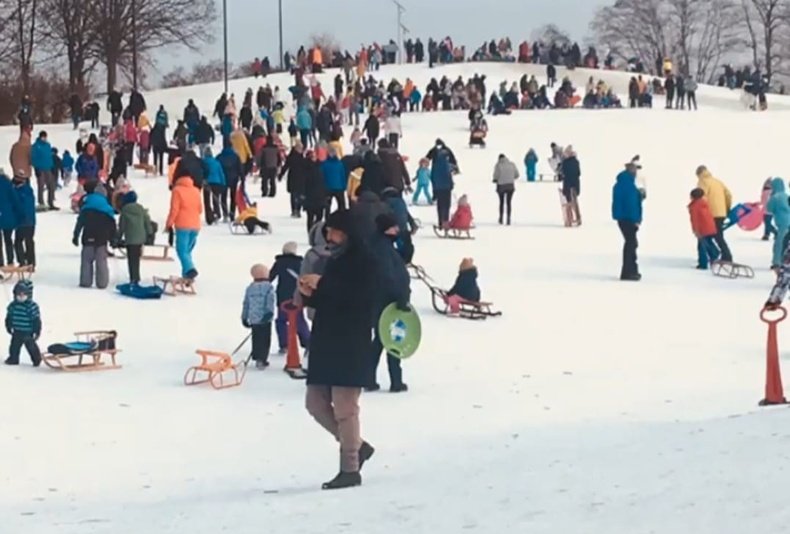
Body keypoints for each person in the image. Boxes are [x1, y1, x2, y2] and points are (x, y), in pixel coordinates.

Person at [298, 209, 377, 490]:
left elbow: (359, 298)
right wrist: (312, 295)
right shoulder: (334, 260)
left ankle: (350, 467)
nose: (328, 237)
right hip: (326, 340)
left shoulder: (365, 260)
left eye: (332, 231)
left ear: (347, 232)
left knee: (345, 408)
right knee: (315, 404)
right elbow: (332, 297)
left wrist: (324, 285)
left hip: (350, 342)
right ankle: (357, 446)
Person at [368, 212, 411, 392]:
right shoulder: (383, 250)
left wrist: (406, 240)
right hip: (388, 302)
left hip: (381, 300)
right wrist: (401, 297)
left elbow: (406, 257)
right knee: (391, 339)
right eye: (395, 227)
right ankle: (395, 380)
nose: (398, 229)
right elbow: (389, 277)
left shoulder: (382, 245)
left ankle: (369, 378)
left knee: (379, 340)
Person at [72, 183, 117, 289]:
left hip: (88, 237)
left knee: (86, 260)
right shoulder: (108, 210)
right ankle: (102, 283)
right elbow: (112, 226)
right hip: (102, 239)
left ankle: (85, 281)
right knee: (101, 261)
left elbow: (79, 223)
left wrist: (75, 236)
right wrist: (113, 239)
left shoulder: (86, 208)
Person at [270, 242, 310, 353]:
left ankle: (284, 344)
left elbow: (270, 277)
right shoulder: (300, 263)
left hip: (282, 296)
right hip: (298, 296)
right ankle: (308, 343)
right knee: (299, 320)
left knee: (281, 321)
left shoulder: (279, 263)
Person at [166, 163, 202, 280]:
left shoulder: (177, 190)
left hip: (182, 224)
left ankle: (190, 270)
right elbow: (200, 209)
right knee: (187, 251)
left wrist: (169, 224)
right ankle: (186, 274)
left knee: (181, 250)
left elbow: (174, 209)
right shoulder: (196, 190)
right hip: (196, 225)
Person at [612, 161, 643, 281]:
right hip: (628, 218)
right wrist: (636, 219)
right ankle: (628, 272)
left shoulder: (622, 183)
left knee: (631, 243)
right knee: (631, 244)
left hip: (622, 217)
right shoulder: (628, 185)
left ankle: (630, 270)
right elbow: (631, 205)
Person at [696, 165, 733, 263]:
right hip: (721, 213)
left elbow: (701, 198)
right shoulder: (718, 182)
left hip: (710, 213)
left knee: (704, 235)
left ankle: (714, 256)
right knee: (718, 235)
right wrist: (726, 208)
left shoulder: (703, 182)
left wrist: (700, 212)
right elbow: (728, 194)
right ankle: (723, 255)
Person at [242, 264, 276, 369]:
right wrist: (269, 312)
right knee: (265, 339)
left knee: (256, 338)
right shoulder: (269, 287)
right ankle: (262, 358)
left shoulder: (250, 288)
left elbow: (246, 303)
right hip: (265, 319)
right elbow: (270, 301)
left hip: (253, 318)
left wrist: (244, 316)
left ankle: (256, 356)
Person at [117, 191, 153, 285]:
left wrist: (118, 238)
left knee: (131, 259)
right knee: (136, 257)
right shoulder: (141, 209)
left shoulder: (125, 210)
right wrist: (149, 234)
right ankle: (136, 276)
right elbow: (147, 222)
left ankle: (134, 277)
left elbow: (122, 226)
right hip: (141, 237)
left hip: (130, 238)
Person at [4, 280, 41, 366]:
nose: (21, 297)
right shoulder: (13, 306)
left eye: (23, 294)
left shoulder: (31, 306)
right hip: (17, 330)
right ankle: (13, 358)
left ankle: (36, 359)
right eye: (18, 295)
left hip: (28, 331)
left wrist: (37, 330)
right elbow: (9, 317)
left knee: (31, 347)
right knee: (14, 346)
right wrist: (8, 325)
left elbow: (36, 319)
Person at [688, 188, 719, 270]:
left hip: (702, 229)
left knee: (701, 247)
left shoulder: (694, 206)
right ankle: (714, 255)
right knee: (708, 242)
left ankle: (703, 263)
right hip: (710, 227)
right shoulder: (704, 203)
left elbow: (695, 219)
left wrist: (696, 230)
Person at [766, 178, 790, 269]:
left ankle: (777, 262)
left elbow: (769, 209)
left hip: (782, 223)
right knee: (786, 242)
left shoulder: (775, 197)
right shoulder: (786, 195)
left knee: (779, 243)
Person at [13, 176, 35, 268]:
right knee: (29, 241)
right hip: (31, 221)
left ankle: (22, 261)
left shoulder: (17, 192)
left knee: (18, 241)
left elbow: (18, 207)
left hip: (22, 221)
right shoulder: (29, 191)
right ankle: (31, 262)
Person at [0, 170, 21, 269]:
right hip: (7, 215)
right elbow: (15, 200)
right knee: (8, 240)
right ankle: (10, 261)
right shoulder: (8, 183)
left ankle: (0, 263)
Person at [31, 131, 57, 210]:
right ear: (40, 137)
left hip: (48, 168)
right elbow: (33, 157)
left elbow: (49, 156)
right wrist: (36, 168)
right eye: (43, 137)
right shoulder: (35, 146)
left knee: (51, 186)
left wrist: (52, 166)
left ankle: (51, 202)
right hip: (40, 168)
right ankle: (41, 202)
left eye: (45, 137)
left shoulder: (48, 145)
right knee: (41, 186)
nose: (45, 138)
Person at [203, 147, 228, 224]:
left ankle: (209, 216)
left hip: (207, 183)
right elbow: (221, 173)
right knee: (215, 199)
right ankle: (217, 214)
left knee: (207, 200)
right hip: (217, 182)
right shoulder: (216, 162)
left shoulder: (203, 162)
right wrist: (223, 183)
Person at [493, 154, 518, 225]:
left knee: (501, 202)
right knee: (509, 203)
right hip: (510, 185)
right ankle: (508, 218)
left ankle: (501, 218)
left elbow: (496, 175)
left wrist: (495, 180)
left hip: (501, 186)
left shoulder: (498, 165)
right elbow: (516, 175)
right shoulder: (512, 164)